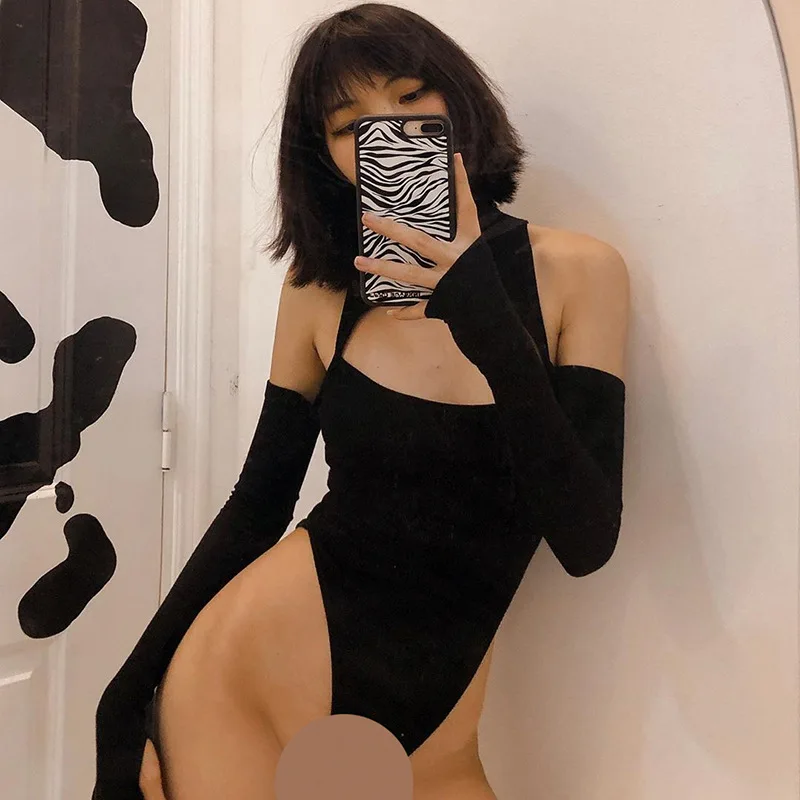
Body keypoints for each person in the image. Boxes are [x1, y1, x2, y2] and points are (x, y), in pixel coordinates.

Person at [93, 4, 630, 799]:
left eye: (412, 96)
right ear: (328, 156)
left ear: (460, 101)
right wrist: (121, 700)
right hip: (244, 682)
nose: (390, 129)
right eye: (350, 125)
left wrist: (486, 316)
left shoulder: (579, 274)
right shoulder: (320, 290)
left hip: (438, 727)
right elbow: (258, 503)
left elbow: (586, 541)